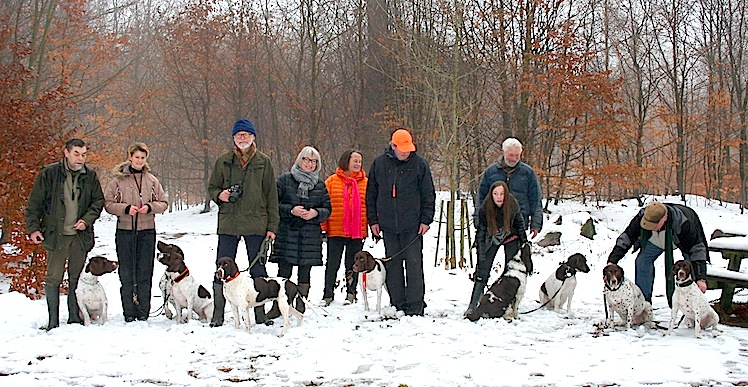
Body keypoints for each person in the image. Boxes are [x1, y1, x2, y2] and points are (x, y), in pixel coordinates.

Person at [25, 138, 105, 330]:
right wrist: (34, 228)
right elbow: (34, 204)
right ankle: (53, 321)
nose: (80, 158)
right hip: (55, 234)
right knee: (53, 277)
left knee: (76, 277)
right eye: (76, 154)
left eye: (84, 154)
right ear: (66, 153)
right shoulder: (49, 174)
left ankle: (74, 317)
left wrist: (86, 220)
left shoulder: (90, 175)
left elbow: (98, 202)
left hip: (79, 236)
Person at [207, 118, 280, 327]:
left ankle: (260, 313)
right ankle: (218, 314)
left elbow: (271, 196)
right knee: (221, 268)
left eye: (246, 135)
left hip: (256, 222)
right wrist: (220, 195)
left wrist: (272, 227)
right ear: (233, 138)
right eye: (239, 135)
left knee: (258, 269)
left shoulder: (263, 162)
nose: (243, 138)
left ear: (253, 137)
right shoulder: (223, 161)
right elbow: (212, 187)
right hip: (229, 222)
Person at [366, 128, 436, 316]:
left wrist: (426, 220)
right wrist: (373, 220)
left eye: (408, 149)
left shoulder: (420, 165)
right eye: (402, 149)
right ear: (393, 146)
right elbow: (371, 194)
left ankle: (416, 305)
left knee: (414, 264)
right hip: (388, 225)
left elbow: (428, 194)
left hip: (413, 226)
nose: (406, 152)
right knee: (393, 265)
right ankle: (398, 303)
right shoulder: (379, 164)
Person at [103, 142, 168, 322]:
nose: (139, 160)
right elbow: (108, 203)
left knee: (145, 271)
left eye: (142, 157)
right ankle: (129, 312)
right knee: (127, 272)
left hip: (147, 231)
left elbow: (163, 202)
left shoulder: (152, 180)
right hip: (125, 230)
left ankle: (143, 311)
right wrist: (124, 209)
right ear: (130, 157)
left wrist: (149, 207)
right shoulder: (118, 180)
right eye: (136, 157)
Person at [607, 201, 709, 306]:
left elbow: (697, 249)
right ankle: (643, 304)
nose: (649, 226)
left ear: (664, 218)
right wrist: (612, 260)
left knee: (690, 266)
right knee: (642, 261)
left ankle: (692, 305)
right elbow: (627, 237)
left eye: (653, 225)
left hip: (678, 240)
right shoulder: (643, 215)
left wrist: (701, 278)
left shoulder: (683, 223)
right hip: (653, 240)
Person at [269, 146, 331, 315]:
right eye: (306, 159)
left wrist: (315, 213)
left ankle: (300, 305)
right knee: (284, 273)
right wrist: (291, 210)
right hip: (287, 233)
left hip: (309, 236)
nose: (309, 164)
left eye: (313, 161)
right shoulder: (284, 180)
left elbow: (327, 209)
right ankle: (278, 307)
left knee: (305, 273)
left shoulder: (320, 185)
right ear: (299, 160)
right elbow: (273, 205)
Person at [464, 181, 527, 316]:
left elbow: (520, 224)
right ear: (491, 195)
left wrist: (524, 244)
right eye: (495, 194)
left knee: (511, 270)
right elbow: (480, 233)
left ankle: (509, 303)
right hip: (490, 237)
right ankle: (473, 304)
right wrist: (481, 256)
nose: (499, 197)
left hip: (511, 236)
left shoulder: (512, 204)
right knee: (483, 270)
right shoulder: (485, 208)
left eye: (502, 194)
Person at [321, 149, 368, 306]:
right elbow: (324, 205)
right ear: (346, 161)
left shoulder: (366, 183)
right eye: (355, 160)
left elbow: (370, 206)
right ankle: (327, 294)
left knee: (353, 263)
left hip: (357, 231)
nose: (357, 164)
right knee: (332, 263)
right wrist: (323, 226)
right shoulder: (331, 182)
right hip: (336, 229)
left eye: (360, 161)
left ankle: (351, 292)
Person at [476, 137, 543, 239]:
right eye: (511, 155)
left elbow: (535, 199)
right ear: (503, 152)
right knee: (486, 254)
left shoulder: (528, 173)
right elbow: (481, 197)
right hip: (493, 223)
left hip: (518, 223)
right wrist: (478, 220)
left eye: (517, 155)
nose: (514, 158)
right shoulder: (490, 172)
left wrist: (536, 224)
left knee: (516, 255)